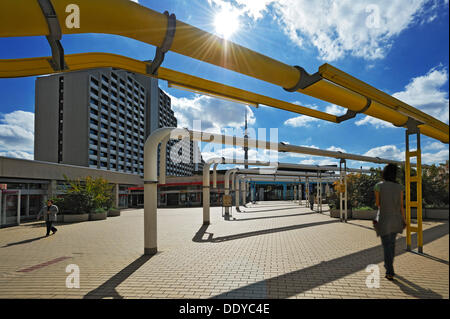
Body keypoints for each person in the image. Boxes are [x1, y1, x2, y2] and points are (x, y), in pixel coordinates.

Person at [374, 164, 407, 281]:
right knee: (391, 245)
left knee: (386, 245)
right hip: (396, 218)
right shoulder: (399, 187)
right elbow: (401, 206)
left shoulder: (378, 186)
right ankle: (388, 265)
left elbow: (378, 204)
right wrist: (404, 219)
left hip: (384, 219)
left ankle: (389, 270)